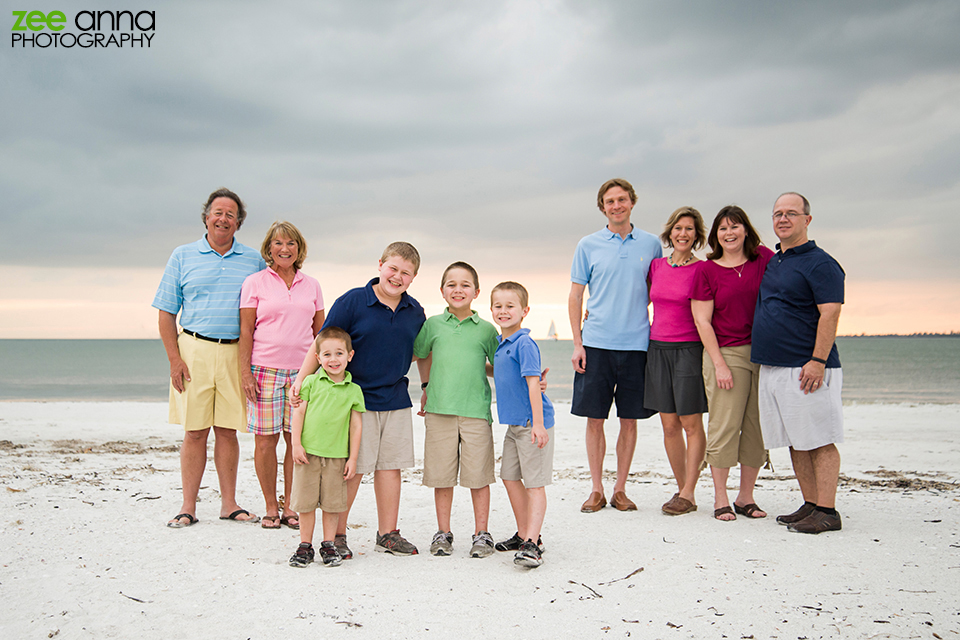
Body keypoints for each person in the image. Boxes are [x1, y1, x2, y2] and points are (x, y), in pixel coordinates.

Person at [292, 242, 426, 557]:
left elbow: (424, 353)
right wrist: (301, 381)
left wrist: (429, 386)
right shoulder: (353, 301)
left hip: (396, 398)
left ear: (413, 277)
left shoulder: (415, 311)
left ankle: (388, 533)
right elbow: (321, 343)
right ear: (380, 265)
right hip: (354, 400)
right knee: (353, 469)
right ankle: (337, 535)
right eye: (393, 268)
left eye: (406, 273)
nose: (397, 277)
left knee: (391, 468)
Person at [154, 187, 265, 528]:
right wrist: (175, 359)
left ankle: (228, 504)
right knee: (195, 432)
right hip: (194, 351)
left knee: (229, 431)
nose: (223, 219)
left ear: (239, 223)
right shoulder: (183, 255)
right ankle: (188, 506)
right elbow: (166, 312)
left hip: (235, 352)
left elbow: (264, 310)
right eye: (218, 212)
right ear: (206, 217)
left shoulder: (253, 260)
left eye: (231, 215)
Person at [752, 192, 845, 534]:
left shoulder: (820, 263)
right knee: (796, 438)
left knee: (820, 438)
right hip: (774, 366)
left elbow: (831, 312)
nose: (783, 219)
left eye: (791, 213)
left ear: (807, 220)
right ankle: (811, 504)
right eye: (777, 214)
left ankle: (828, 511)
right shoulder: (776, 260)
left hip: (807, 367)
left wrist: (817, 360)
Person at [569, 178, 662, 513]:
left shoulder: (651, 244)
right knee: (594, 419)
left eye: (622, 199)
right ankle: (596, 489)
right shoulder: (588, 245)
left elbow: (659, 291)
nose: (616, 205)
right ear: (603, 207)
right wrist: (578, 343)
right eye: (610, 201)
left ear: (632, 202)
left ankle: (620, 489)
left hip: (638, 344)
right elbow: (576, 296)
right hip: (595, 344)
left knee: (629, 420)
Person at [240, 221, 325, 530]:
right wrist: (245, 373)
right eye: (278, 243)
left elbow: (320, 334)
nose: (285, 248)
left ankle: (290, 506)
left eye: (291, 243)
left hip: (302, 373)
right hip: (264, 371)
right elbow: (246, 332)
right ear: (269, 249)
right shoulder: (255, 283)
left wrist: (318, 373)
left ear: (299, 249)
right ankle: (269, 507)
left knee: (296, 441)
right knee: (265, 442)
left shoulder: (311, 285)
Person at [691, 206, 774, 521]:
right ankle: (721, 497)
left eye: (735, 226)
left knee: (756, 426)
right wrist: (720, 364)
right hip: (725, 352)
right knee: (725, 425)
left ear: (745, 230)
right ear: (716, 235)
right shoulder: (708, 270)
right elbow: (702, 321)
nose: (729, 233)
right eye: (723, 228)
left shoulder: (763, 259)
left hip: (764, 354)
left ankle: (746, 497)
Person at [413, 262, 500, 558]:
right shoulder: (432, 325)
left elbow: (498, 365)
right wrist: (425, 387)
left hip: (476, 411)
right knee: (441, 476)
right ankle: (443, 532)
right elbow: (421, 355)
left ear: (476, 292)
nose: (458, 289)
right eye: (451, 284)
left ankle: (482, 533)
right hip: (439, 410)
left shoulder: (487, 330)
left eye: (465, 285)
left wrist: (531, 379)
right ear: (442, 291)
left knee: (479, 477)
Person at [644, 207, 709, 516]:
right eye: (678, 228)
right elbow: (639, 300)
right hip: (657, 349)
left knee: (690, 423)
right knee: (669, 425)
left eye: (690, 229)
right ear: (670, 233)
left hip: (688, 350)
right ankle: (685, 491)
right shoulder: (656, 266)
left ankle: (688, 490)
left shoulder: (702, 269)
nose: (683, 234)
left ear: (697, 236)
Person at [490, 281, 555, 568]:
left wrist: (538, 424)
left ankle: (533, 543)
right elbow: (502, 374)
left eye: (510, 306)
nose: (503, 311)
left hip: (532, 423)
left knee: (535, 484)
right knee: (509, 476)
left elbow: (532, 384)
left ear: (524, 310)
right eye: (498, 306)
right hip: (513, 424)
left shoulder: (525, 343)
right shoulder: (503, 345)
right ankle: (523, 533)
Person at [288, 327, 364, 568]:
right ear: (318, 358)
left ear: (350, 356)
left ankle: (328, 544)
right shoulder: (310, 382)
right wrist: (296, 444)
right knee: (307, 502)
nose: (334, 360)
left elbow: (356, 426)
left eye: (339, 353)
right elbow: (298, 413)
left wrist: (353, 459)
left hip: (337, 457)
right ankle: (304, 545)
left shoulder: (354, 390)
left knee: (332, 504)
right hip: (308, 454)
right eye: (327, 355)